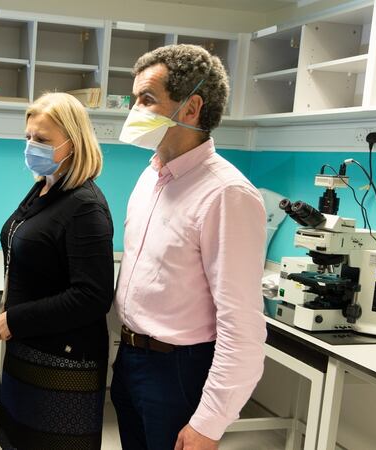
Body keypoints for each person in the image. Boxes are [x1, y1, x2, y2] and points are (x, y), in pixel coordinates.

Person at [112, 44, 267, 450]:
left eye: (147, 100)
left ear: (191, 107)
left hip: (178, 369)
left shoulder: (226, 194)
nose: (134, 111)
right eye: (134, 100)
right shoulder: (152, 177)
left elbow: (243, 327)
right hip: (130, 357)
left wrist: (210, 422)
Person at [0, 92, 114, 449]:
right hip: (29, 349)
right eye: (28, 138)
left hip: (64, 361)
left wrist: (17, 319)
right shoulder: (44, 188)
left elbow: (92, 297)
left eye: (42, 140)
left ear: (73, 144)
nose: (31, 147)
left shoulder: (84, 205)